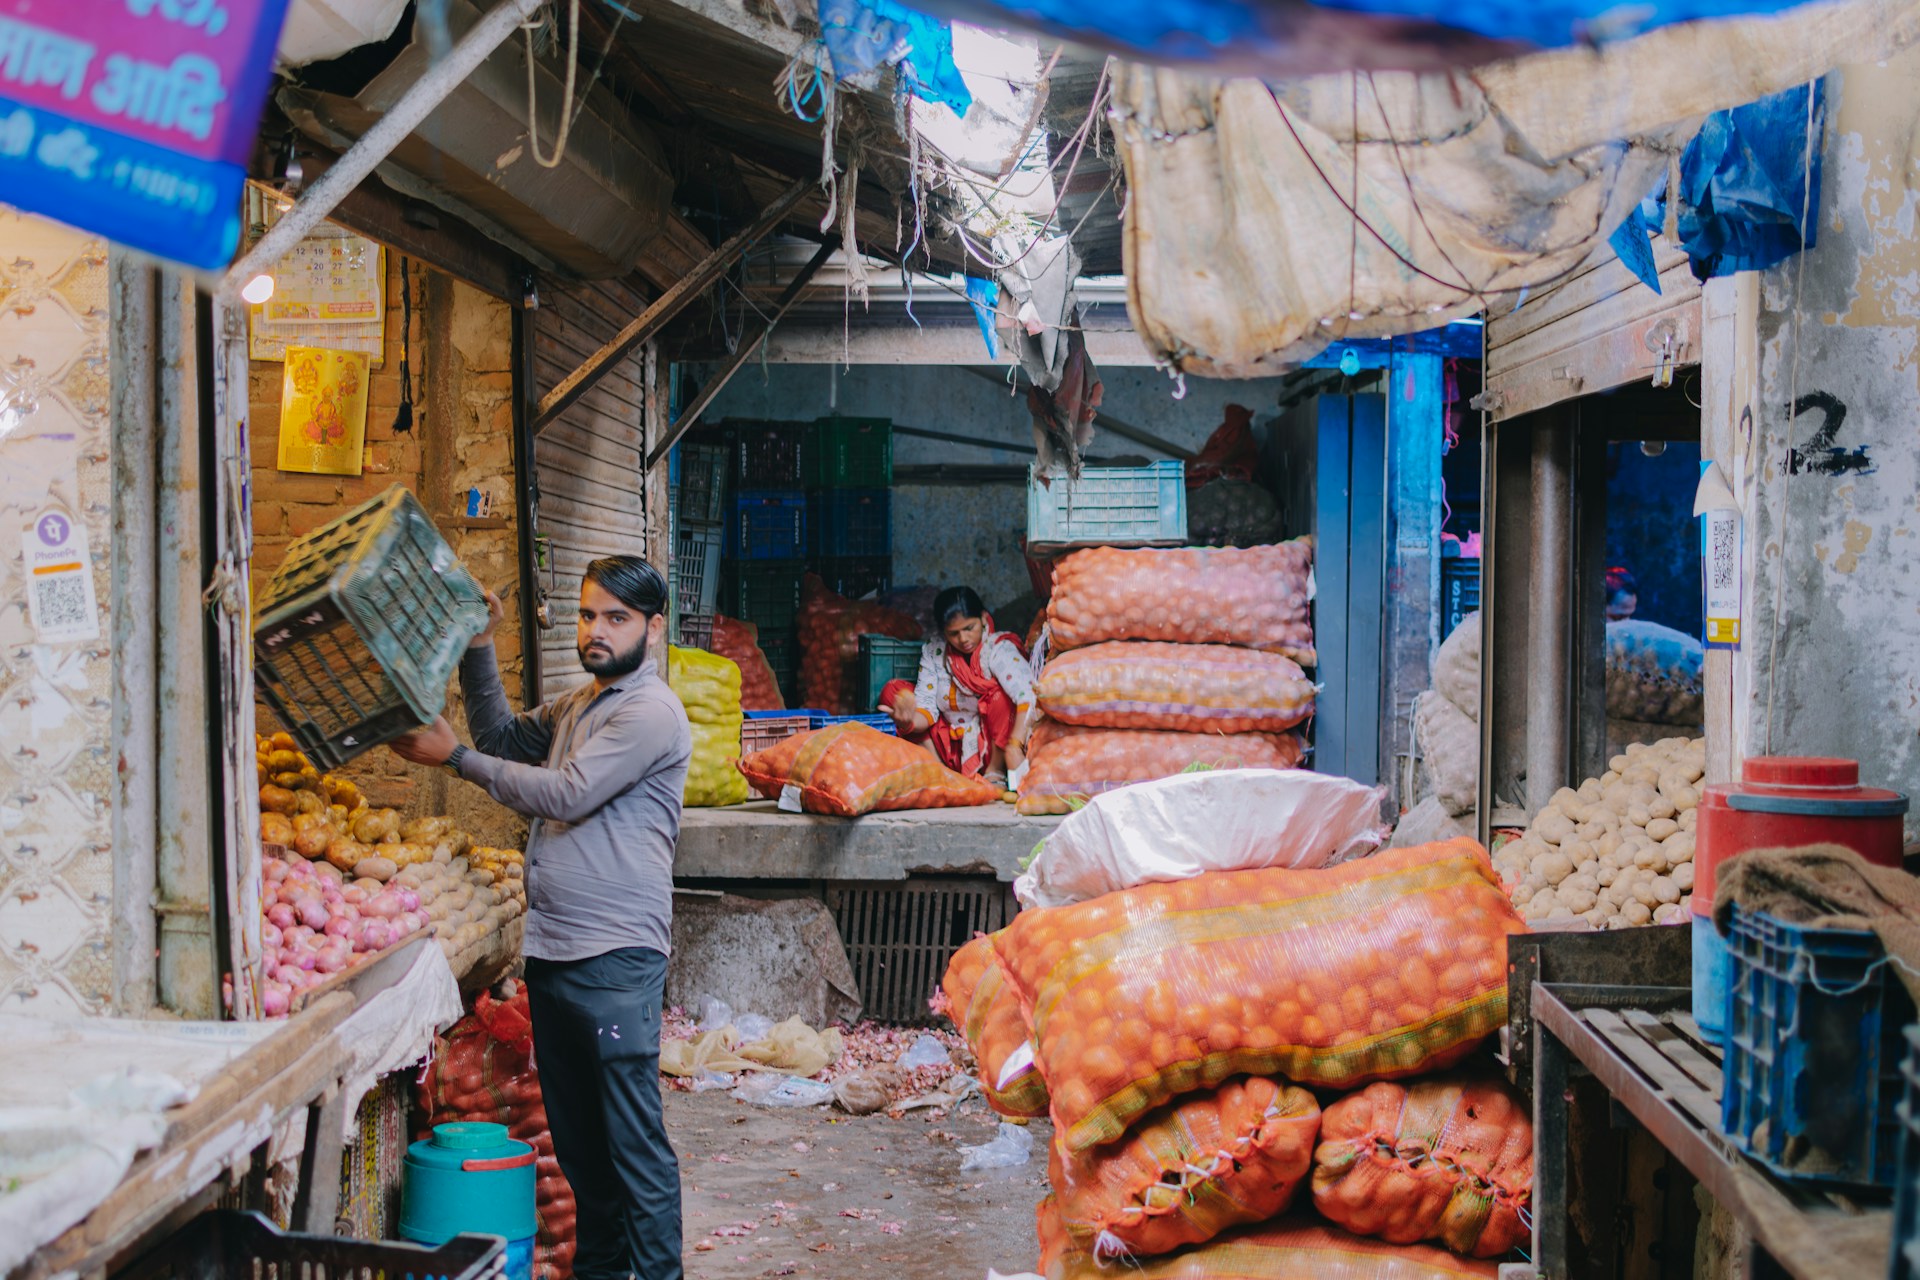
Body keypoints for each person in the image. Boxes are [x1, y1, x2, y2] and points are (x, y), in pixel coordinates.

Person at [391, 555, 692, 1280]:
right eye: (588, 614)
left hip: (615, 960)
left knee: (633, 1147)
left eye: (615, 618)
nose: (595, 630)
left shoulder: (651, 712)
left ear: (652, 629)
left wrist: (452, 756)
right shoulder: (579, 706)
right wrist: (476, 646)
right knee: (584, 1150)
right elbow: (499, 737)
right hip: (557, 957)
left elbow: (564, 793)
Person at [878, 586, 1034, 785]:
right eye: (953, 633)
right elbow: (926, 708)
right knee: (894, 690)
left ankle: (995, 772)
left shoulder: (997, 648)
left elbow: (1027, 695)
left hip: (994, 745)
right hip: (949, 743)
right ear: (943, 631)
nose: (963, 639)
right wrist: (907, 719)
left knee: (1000, 697)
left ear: (984, 618)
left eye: (969, 628)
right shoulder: (935, 651)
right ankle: (939, 770)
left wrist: (1014, 746)